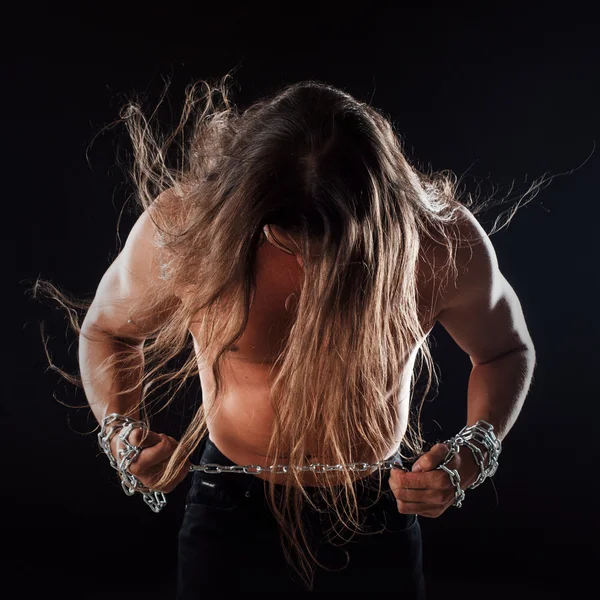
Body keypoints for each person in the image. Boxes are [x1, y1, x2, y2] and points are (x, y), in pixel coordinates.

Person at [41, 78, 536, 597]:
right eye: (286, 237)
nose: (307, 264)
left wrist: (473, 454)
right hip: (229, 503)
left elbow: (505, 351)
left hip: (376, 506)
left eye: (331, 242)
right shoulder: (187, 229)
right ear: (247, 207)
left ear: (379, 213)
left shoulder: (439, 242)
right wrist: (123, 434)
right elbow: (108, 332)